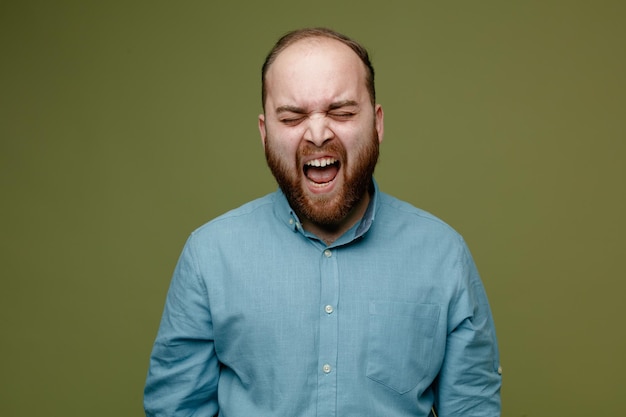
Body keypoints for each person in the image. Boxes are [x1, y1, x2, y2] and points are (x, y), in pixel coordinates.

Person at [144, 27, 502, 417]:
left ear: (377, 124)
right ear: (265, 133)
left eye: (342, 112)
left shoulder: (444, 255)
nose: (317, 134)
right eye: (292, 117)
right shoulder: (209, 256)